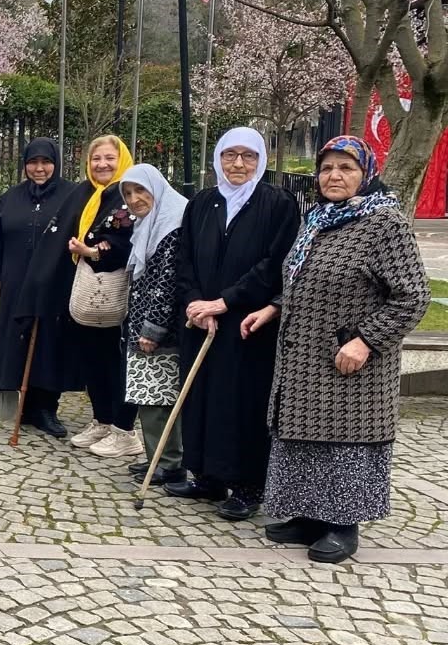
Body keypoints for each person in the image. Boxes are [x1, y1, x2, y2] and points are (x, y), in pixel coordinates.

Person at [245, 136, 429, 563]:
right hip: (304, 356)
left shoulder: (385, 224)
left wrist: (365, 341)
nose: (334, 176)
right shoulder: (318, 219)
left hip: (352, 361)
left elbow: (412, 296)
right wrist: (273, 309)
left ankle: (342, 526)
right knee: (304, 437)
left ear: (365, 174)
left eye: (346, 168)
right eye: (327, 168)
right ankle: (308, 516)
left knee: (344, 441)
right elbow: (304, 282)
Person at [166, 126, 299, 520]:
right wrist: (194, 304)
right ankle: (207, 474)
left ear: (260, 160)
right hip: (201, 320)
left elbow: (274, 264)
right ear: (218, 159)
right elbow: (184, 259)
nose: (238, 164)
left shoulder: (277, 204)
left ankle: (246, 484)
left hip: (247, 322)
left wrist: (225, 302)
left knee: (240, 401)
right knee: (202, 396)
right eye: (229, 155)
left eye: (248, 156)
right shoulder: (202, 203)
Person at [0, 138, 78, 436]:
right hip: (16, 282)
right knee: (18, 340)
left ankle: (46, 407)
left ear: (55, 163)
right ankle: (21, 403)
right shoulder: (10, 198)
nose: (39, 168)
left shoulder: (72, 195)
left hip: (55, 285)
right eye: (32, 162)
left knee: (50, 344)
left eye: (45, 162)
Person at [62, 134, 143, 458]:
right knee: (93, 358)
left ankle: (125, 431)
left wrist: (91, 251)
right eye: (96, 159)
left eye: (109, 158)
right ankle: (103, 419)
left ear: (121, 159)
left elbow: (125, 244)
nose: (102, 164)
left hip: (118, 292)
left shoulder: (128, 195)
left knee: (116, 362)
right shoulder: (95, 195)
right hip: (91, 291)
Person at [118, 163, 188, 486]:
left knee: (159, 399)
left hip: (159, 331)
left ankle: (169, 462)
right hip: (143, 325)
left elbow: (167, 281)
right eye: (128, 194)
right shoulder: (149, 224)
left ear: (156, 189)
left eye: (140, 191)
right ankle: (154, 457)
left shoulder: (171, 225)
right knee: (147, 395)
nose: (134, 200)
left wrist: (152, 328)